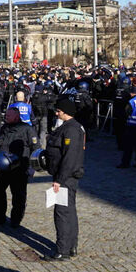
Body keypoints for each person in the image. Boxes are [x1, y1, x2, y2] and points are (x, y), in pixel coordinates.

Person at [42, 97, 85, 261]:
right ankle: (71, 246)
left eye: (58, 111)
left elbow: (69, 158)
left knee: (62, 213)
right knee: (69, 211)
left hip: (65, 178)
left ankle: (63, 251)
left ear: (65, 112)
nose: (56, 113)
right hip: (66, 176)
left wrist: (59, 180)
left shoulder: (71, 129)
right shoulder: (70, 127)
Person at [0, 107, 39, 228]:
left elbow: (36, 149)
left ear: (16, 117)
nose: (5, 117)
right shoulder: (4, 128)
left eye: (8, 115)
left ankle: (16, 220)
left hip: (19, 169)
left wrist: (31, 168)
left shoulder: (27, 130)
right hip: (3, 168)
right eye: (6, 115)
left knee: (18, 196)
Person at [118, 86, 136, 169]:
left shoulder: (131, 101)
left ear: (132, 93)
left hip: (132, 125)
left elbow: (127, 112)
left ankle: (125, 163)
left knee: (128, 146)